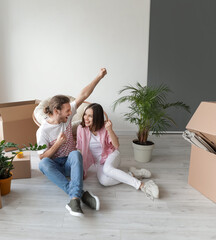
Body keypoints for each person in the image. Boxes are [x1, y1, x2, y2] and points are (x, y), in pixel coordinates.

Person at [37, 68, 107, 217]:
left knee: (75, 153)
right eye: (67, 111)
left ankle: (74, 199)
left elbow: (83, 94)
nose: (71, 114)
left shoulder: (66, 118)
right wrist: (57, 144)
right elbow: (43, 157)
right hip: (56, 167)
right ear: (57, 111)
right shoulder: (43, 131)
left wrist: (99, 77)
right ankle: (80, 195)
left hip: (70, 165)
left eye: (70, 110)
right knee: (42, 165)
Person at [76, 103, 160, 200]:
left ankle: (143, 185)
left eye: (90, 116)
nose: (86, 118)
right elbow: (80, 149)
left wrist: (110, 130)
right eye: (85, 114)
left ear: (97, 117)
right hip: (99, 162)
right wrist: (81, 169)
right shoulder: (81, 128)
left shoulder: (105, 127)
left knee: (107, 169)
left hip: (111, 154)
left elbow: (116, 145)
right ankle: (133, 173)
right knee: (104, 181)